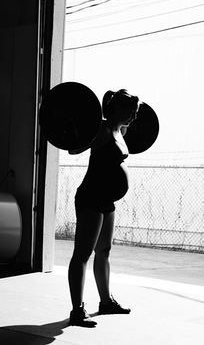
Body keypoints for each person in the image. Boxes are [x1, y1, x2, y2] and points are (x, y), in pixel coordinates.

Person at [68, 89, 139, 327]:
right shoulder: (102, 128)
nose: (134, 116)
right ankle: (77, 311)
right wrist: (82, 134)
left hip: (107, 199)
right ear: (117, 108)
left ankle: (105, 302)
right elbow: (74, 148)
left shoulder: (121, 130)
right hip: (91, 196)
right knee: (83, 254)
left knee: (104, 251)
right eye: (131, 111)